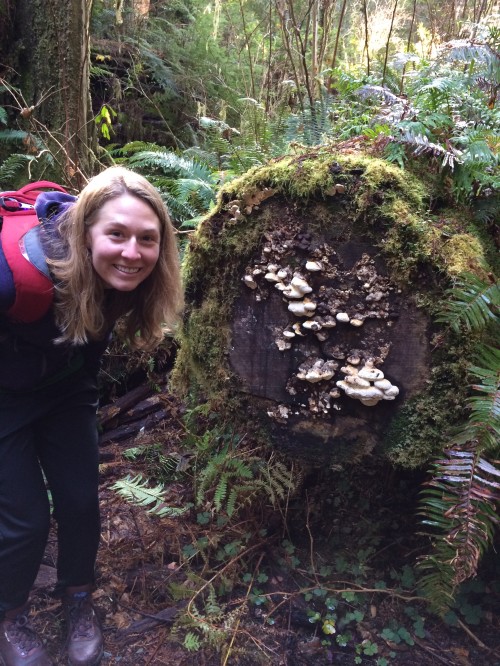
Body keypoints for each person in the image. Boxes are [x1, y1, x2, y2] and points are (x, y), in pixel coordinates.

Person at [0, 166, 183, 666]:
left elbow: (93, 340)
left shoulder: (129, 277)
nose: (132, 252)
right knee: (25, 519)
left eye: (147, 240)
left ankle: (77, 597)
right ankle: (8, 616)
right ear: (84, 234)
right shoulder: (16, 279)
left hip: (67, 388)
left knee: (80, 500)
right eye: (117, 234)